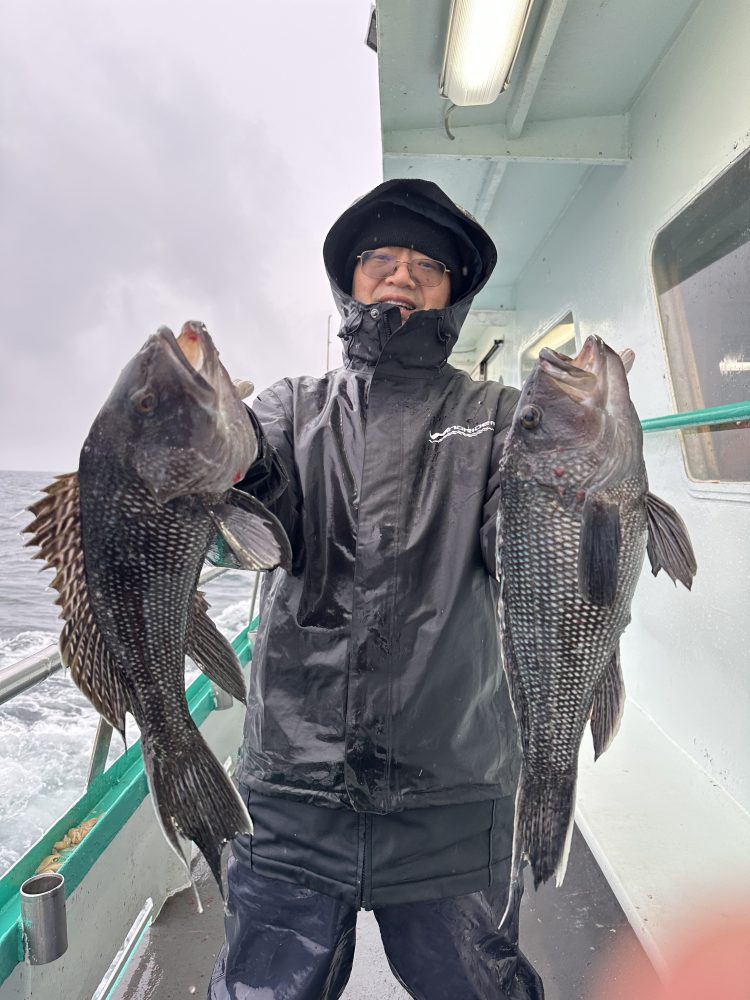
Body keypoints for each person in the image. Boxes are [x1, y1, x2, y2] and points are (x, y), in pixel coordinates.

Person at [208, 178, 544, 1000]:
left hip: (454, 792)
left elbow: (526, 554)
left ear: (453, 293)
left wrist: (582, 470)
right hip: (292, 790)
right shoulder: (292, 408)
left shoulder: (502, 417)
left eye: (427, 266)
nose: (402, 275)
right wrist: (224, 458)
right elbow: (240, 537)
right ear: (350, 279)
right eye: (382, 258)